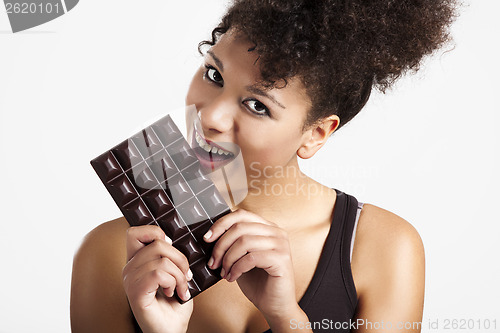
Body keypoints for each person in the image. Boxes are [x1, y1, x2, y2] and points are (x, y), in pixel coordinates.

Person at [71, 0, 458, 332]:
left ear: (316, 134)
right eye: (214, 75)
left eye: (258, 105)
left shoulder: (383, 248)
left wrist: (286, 317)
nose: (212, 118)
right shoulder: (111, 254)